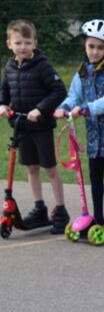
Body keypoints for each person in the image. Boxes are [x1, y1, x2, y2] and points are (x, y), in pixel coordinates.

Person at [55, 19, 104, 231]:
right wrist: (64, 107)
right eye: (91, 46)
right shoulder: (83, 70)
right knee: (95, 174)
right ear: (84, 45)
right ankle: (98, 217)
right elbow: (74, 96)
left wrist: (86, 109)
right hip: (95, 134)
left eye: (100, 47)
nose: (95, 51)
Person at [0, 19, 69, 234]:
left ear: (35, 43)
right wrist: (3, 105)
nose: (23, 47)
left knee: (49, 168)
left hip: (41, 126)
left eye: (27, 43)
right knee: (31, 167)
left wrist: (40, 109)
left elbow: (59, 91)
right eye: (18, 43)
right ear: (9, 44)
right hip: (21, 126)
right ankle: (40, 208)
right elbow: (4, 90)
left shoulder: (42, 65)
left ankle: (61, 211)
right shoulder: (10, 66)